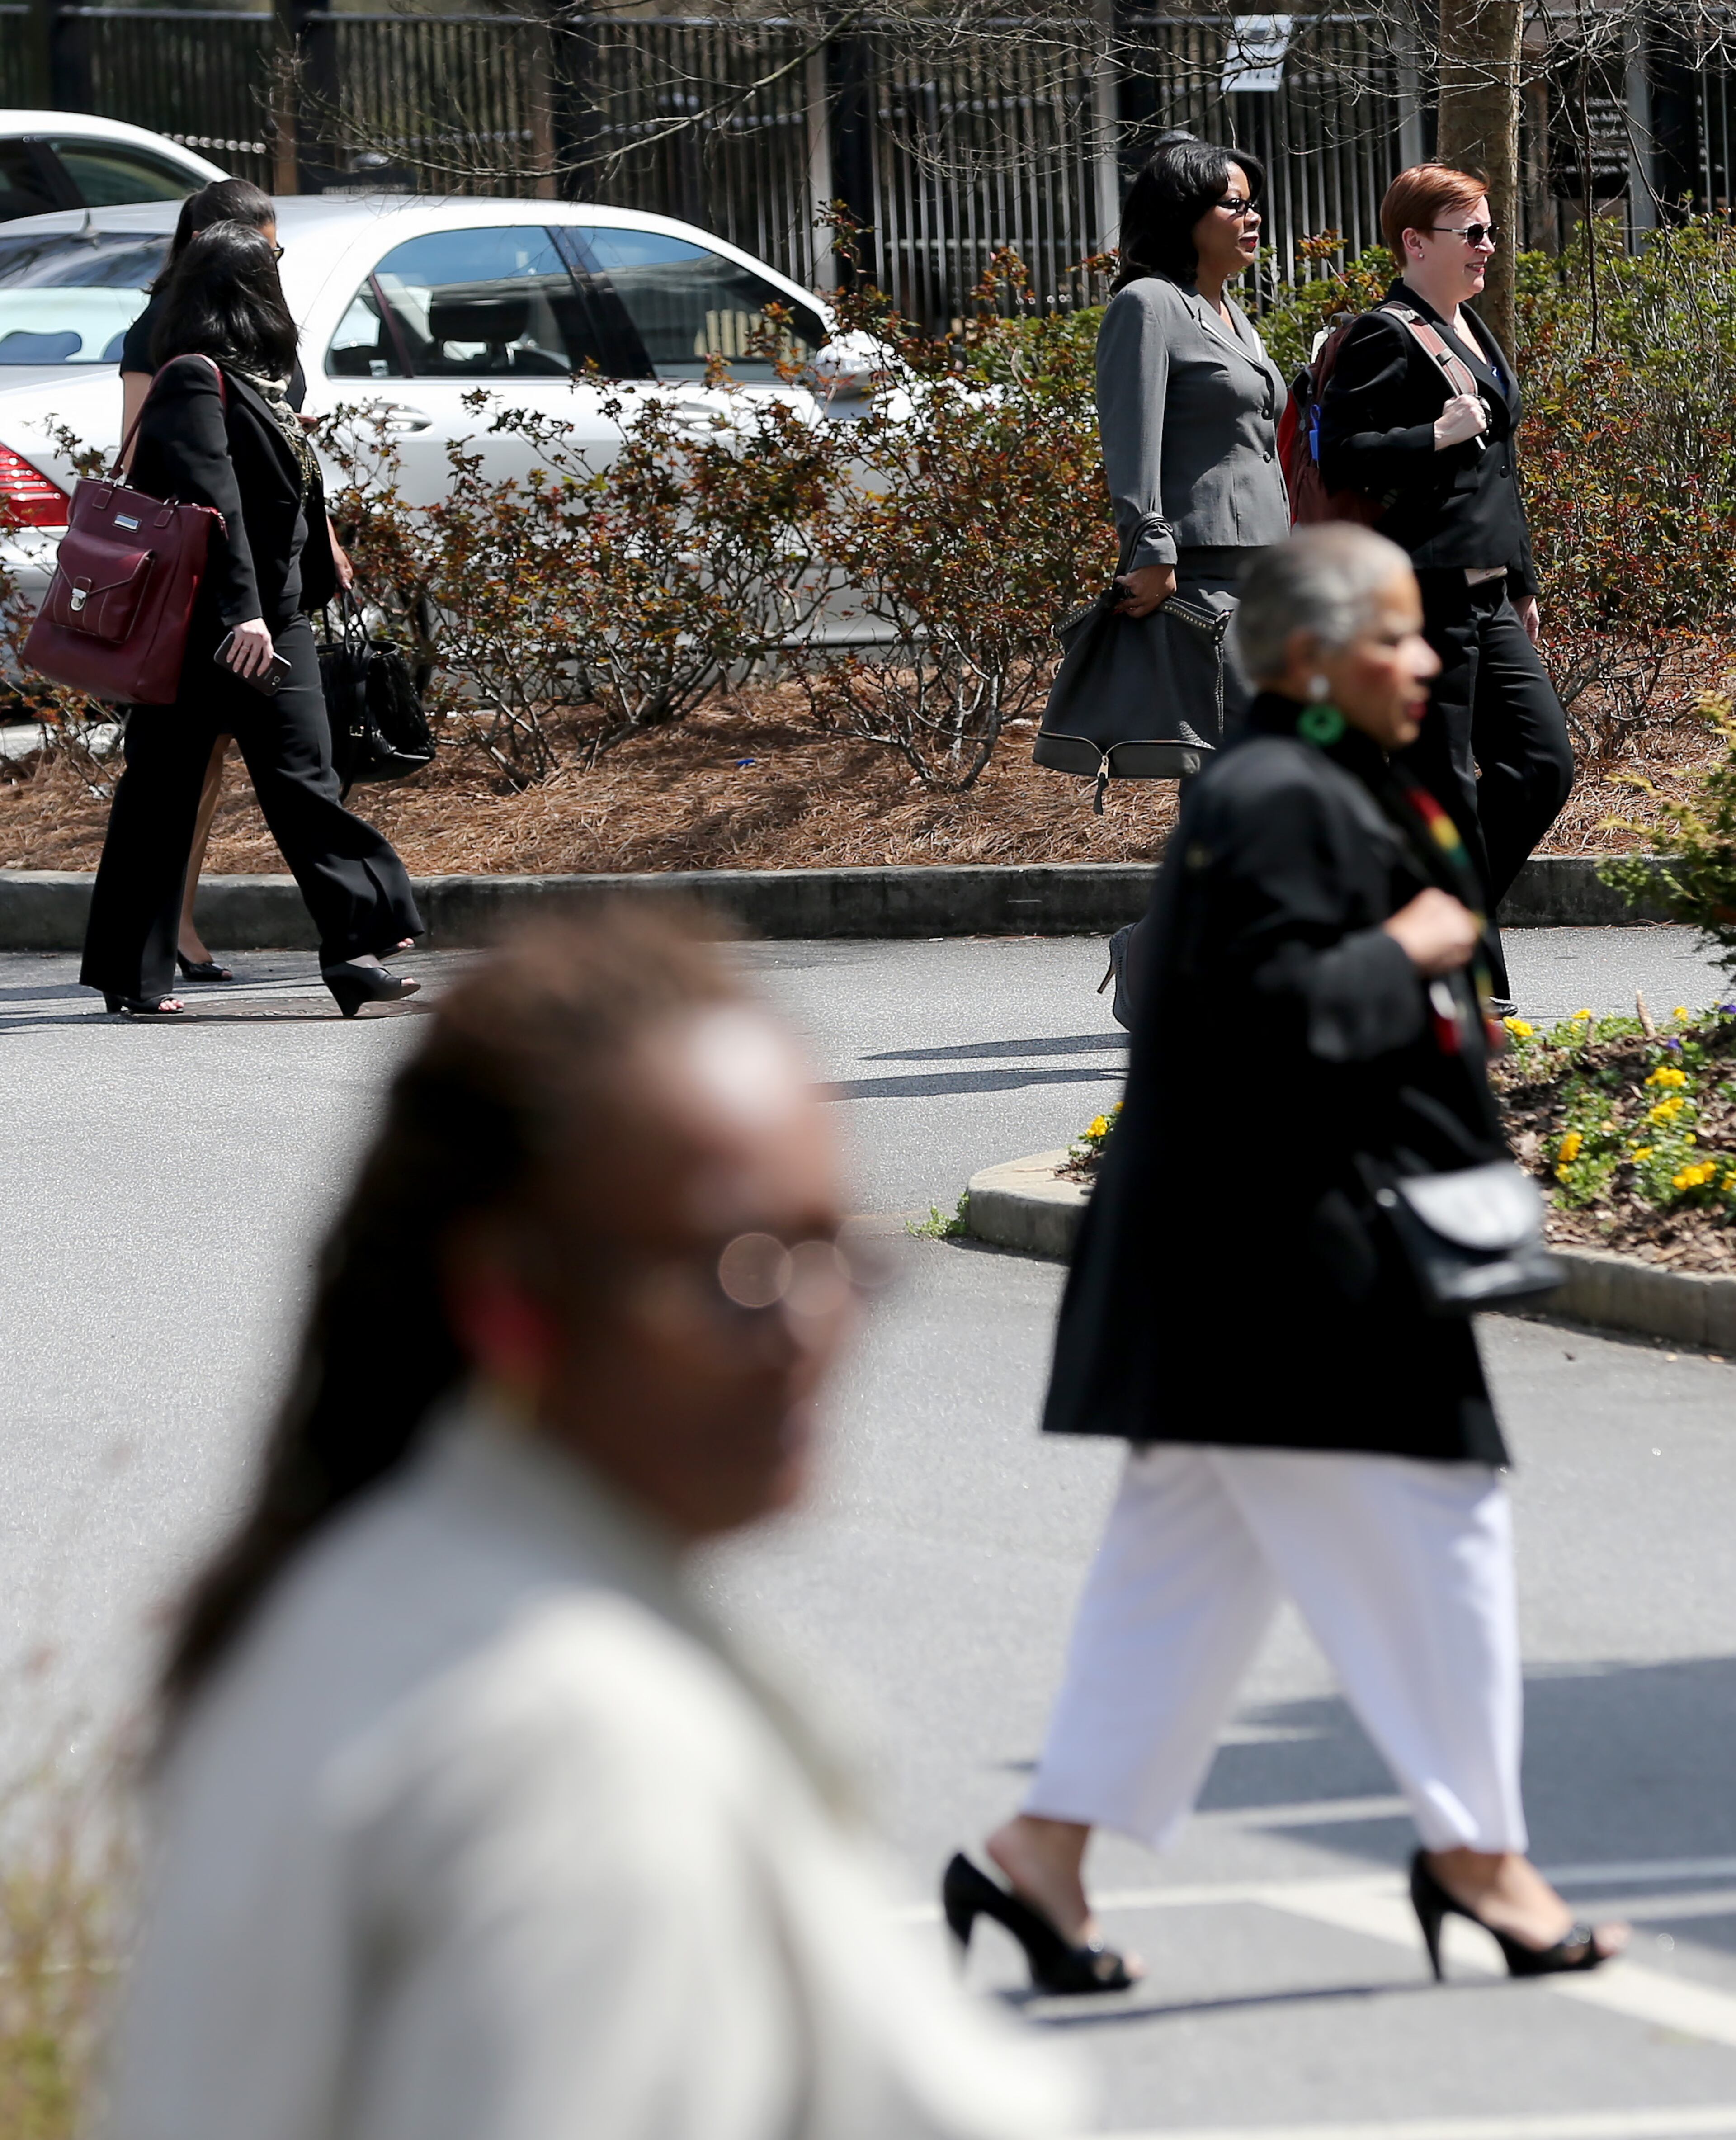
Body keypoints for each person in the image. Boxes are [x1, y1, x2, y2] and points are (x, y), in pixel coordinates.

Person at [104, 912, 1079, 2140]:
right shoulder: (575, 1753)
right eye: (737, 1267)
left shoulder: (356, 1599)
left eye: (833, 1252)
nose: (808, 1327)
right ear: (511, 1298)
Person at [944, 526, 1625, 1996]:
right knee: (1445, 1520)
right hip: (1291, 1262)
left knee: (1182, 1568)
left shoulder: (1301, 780)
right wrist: (1426, 941)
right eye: (1396, 635)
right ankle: (1478, 1852)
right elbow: (1271, 1013)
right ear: (1311, 657)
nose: (1428, 658)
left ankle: (1043, 1852)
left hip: (1229, 1261)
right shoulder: (1278, 797)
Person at [81, 223, 420, 1019]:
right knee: (162, 795)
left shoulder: (260, 380)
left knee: (304, 776)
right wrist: (246, 616)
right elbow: (215, 504)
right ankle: (134, 974)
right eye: (271, 271)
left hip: (274, 620)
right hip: (214, 631)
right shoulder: (193, 381)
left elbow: (289, 499)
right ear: (244, 290)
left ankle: (354, 949)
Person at [1318, 162, 1574, 1017]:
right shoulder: (1384, 334)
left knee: (1542, 763)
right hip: (1423, 594)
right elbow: (1344, 453)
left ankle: (1414, 920)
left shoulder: (1474, 333)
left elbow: (1499, 471)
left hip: (1491, 593)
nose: (1489, 248)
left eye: (1492, 231)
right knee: (1446, 788)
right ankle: (1468, 987)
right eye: (1473, 234)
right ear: (1415, 242)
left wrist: (1523, 577)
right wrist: (1432, 432)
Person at [118, 178, 358, 987]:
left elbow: (291, 450)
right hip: (203, 592)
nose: (279, 261)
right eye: (270, 248)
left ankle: (357, 943)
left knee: (284, 768)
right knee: (181, 771)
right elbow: (155, 463)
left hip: (272, 583)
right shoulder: (169, 341)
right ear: (230, 251)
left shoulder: (268, 336)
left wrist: (322, 539)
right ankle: (160, 938)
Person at [1087, 131, 1291, 1017]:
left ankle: (1176, 953)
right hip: (1203, 581)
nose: (1252, 219)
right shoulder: (1149, 306)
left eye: (1254, 204)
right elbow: (1129, 439)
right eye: (1233, 204)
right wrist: (1153, 548)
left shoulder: (1230, 314)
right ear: (1186, 218)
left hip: (1272, 580)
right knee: (1233, 784)